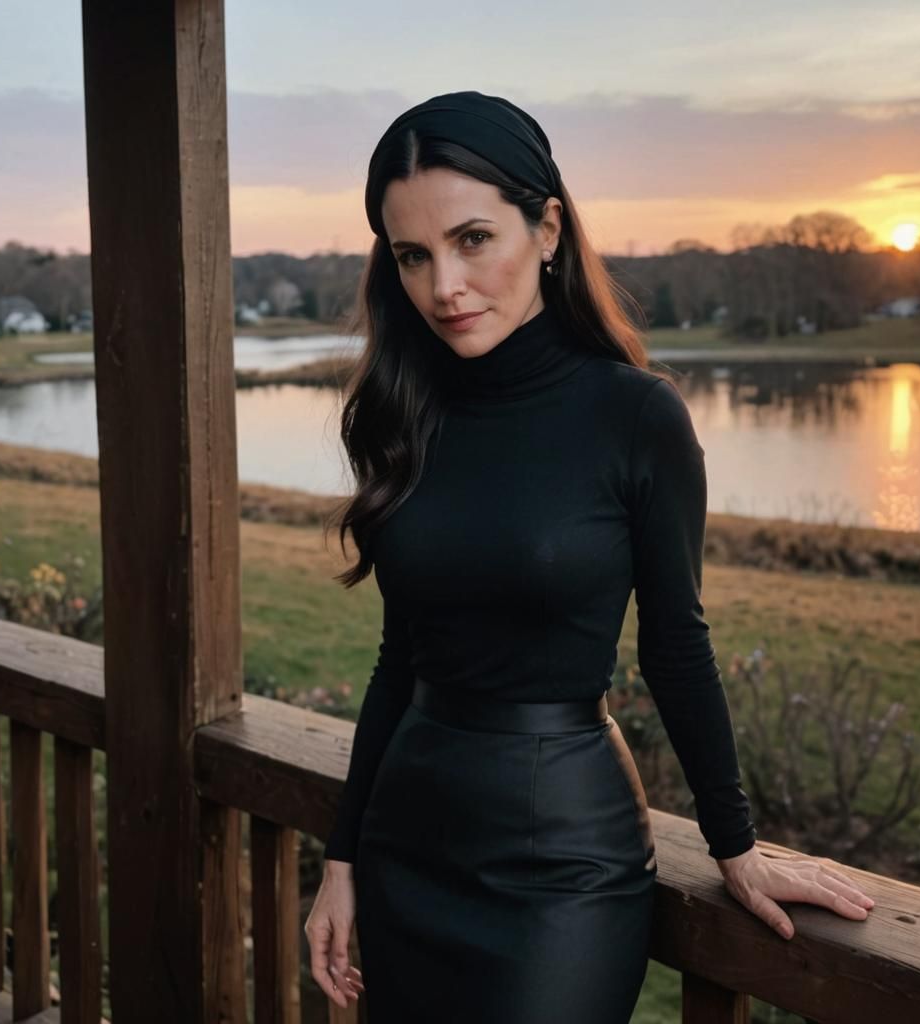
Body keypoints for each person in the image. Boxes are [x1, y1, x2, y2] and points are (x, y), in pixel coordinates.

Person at [304, 90, 875, 1023]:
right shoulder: (409, 414)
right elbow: (398, 659)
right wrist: (342, 861)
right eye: (413, 255)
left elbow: (676, 644)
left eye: (473, 239)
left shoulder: (634, 416)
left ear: (548, 229)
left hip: (561, 861)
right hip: (408, 843)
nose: (444, 285)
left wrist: (736, 844)